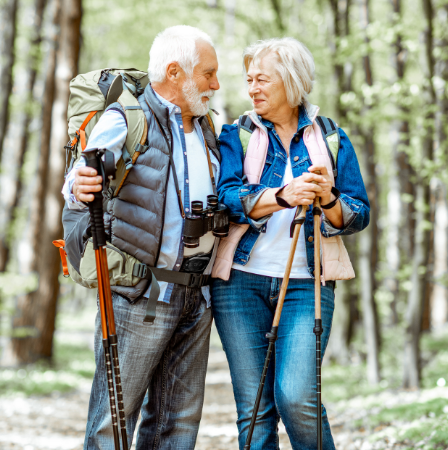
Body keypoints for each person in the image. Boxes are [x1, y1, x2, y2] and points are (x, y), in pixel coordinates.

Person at [62, 25, 222, 449]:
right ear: (175, 72)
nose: (216, 84)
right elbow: (77, 181)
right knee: (112, 425)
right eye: (208, 73)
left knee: (176, 428)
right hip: (140, 296)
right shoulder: (126, 119)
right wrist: (80, 183)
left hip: (195, 299)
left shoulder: (209, 129)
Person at [210, 37, 370, 450]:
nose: (253, 88)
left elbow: (359, 212)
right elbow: (226, 197)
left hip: (307, 285)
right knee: (255, 411)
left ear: (291, 80)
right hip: (239, 283)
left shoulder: (331, 136)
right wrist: (283, 196)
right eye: (249, 80)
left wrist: (328, 199)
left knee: (297, 398)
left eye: (262, 78)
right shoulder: (237, 134)